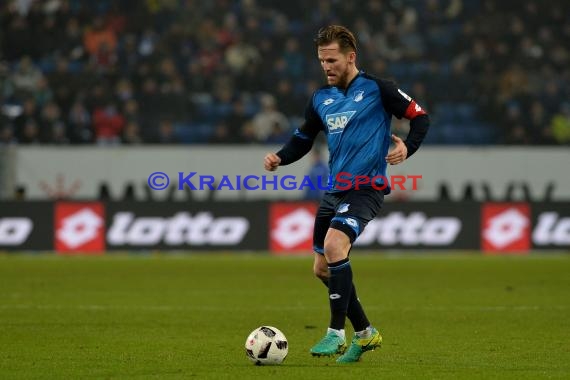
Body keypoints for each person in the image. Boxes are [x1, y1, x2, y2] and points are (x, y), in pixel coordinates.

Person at [263, 25, 430, 363]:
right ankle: (367, 334)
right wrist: (281, 156)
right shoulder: (320, 99)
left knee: (335, 246)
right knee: (322, 269)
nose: (327, 66)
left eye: (332, 60)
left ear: (351, 57)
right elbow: (304, 137)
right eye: (322, 60)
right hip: (334, 191)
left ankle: (336, 333)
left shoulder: (378, 89)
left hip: (366, 188)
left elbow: (420, 117)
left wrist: (407, 150)